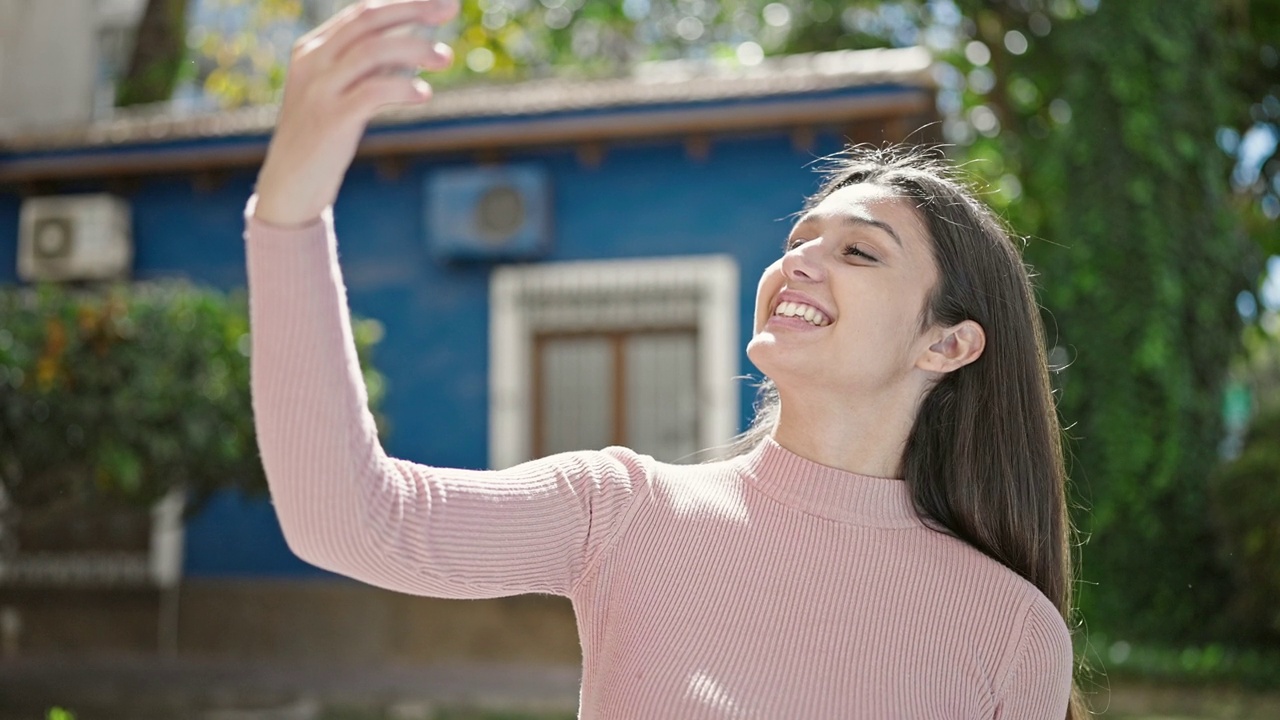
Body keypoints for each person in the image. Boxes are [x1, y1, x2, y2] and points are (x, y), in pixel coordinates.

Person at [245, 1, 1083, 717]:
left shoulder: (1009, 633)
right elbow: (351, 520)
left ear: (949, 342)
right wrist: (290, 208)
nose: (800, 261)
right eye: (798, 240)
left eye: (860, 253)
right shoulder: (620, 513)